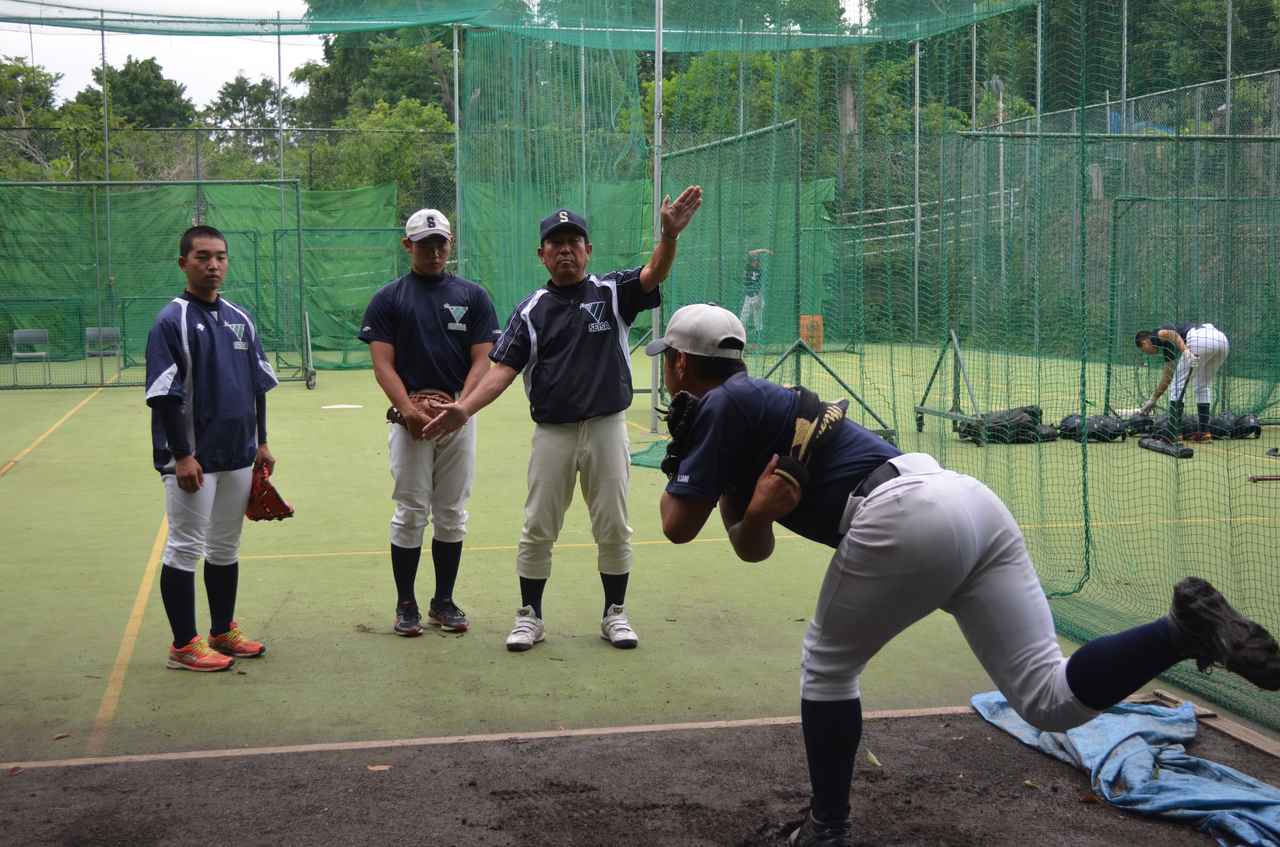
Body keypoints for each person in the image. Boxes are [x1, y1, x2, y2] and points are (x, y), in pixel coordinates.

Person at [650, 303, 1280, 846]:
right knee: (1048, 700)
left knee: (828, 667)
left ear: (681, 363)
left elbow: (677, 525)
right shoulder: (754, 403)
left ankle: (828, 826)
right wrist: (752, 509)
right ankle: (1182, 629)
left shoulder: (724, 404)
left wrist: (691, 463)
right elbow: (750, 545)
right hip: (966, 502)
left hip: (899, 517)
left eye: (667, 360)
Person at [424, 187, 703, 652]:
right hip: (552, 433)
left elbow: (654, 273)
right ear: (543, 254)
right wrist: (463, 409)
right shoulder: (531, 310)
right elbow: (502, 371)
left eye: (575, 241)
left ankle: (615, 613)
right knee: (538, 525)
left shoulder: (613, 293)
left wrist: (669, 236)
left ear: (588, 250)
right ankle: (530, 615)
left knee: (613, 524)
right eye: (556, 243)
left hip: (606, 429)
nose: (566, 249)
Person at [358, 209, 499, 637]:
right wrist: (408, 410)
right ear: (408, 246)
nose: (434, 251)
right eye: (425, 244)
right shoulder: (389, 298)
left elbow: (483, 357)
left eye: (441, 242)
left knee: (452, 512)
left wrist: (463, 405)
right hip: (410, 422)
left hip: (457, 417)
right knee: (411, 511)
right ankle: (406, 603)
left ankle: (443, 600)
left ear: (450, 242)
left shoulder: (473, 295)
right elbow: (382, 364)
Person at [144, 225, 279, 672]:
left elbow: (259, 384)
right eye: (203, 257)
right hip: (191, 460)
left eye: (220, 256)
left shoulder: (240, 317)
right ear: (184, 263)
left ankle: (222, 631)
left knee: (225, 547)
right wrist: (181, 455)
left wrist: (261, 442)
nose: (213, 265)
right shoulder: (171, 321)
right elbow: (164, 395)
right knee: (184, 547)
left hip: (237, 455)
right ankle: (184, 644)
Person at [1136, 321, 1230, 442]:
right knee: (1202, 385)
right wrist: (1153, 399)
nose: (1147, 353)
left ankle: (1174, 432)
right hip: (1222, 341)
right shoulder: (1166, 347)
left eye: (1144, 350)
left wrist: (1186, 352)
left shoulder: (1154, 335)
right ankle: (1204, 433)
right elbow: (1167, 377)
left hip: (1200, 339)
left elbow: (1172, 334)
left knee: (1177, 385)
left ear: (1144, 342)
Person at [739, 248, 772, 337]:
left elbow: (761, 286)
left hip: (757, 295)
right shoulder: (748, 267)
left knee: (757, 315)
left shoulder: (760, 271)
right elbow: (750, 252)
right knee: (744, 315)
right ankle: (740, 333)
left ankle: (759, 334)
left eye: (756, 261)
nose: (755, 262)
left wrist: (760, 298)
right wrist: (764, 250)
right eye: (754, 261)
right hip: (749, 295)